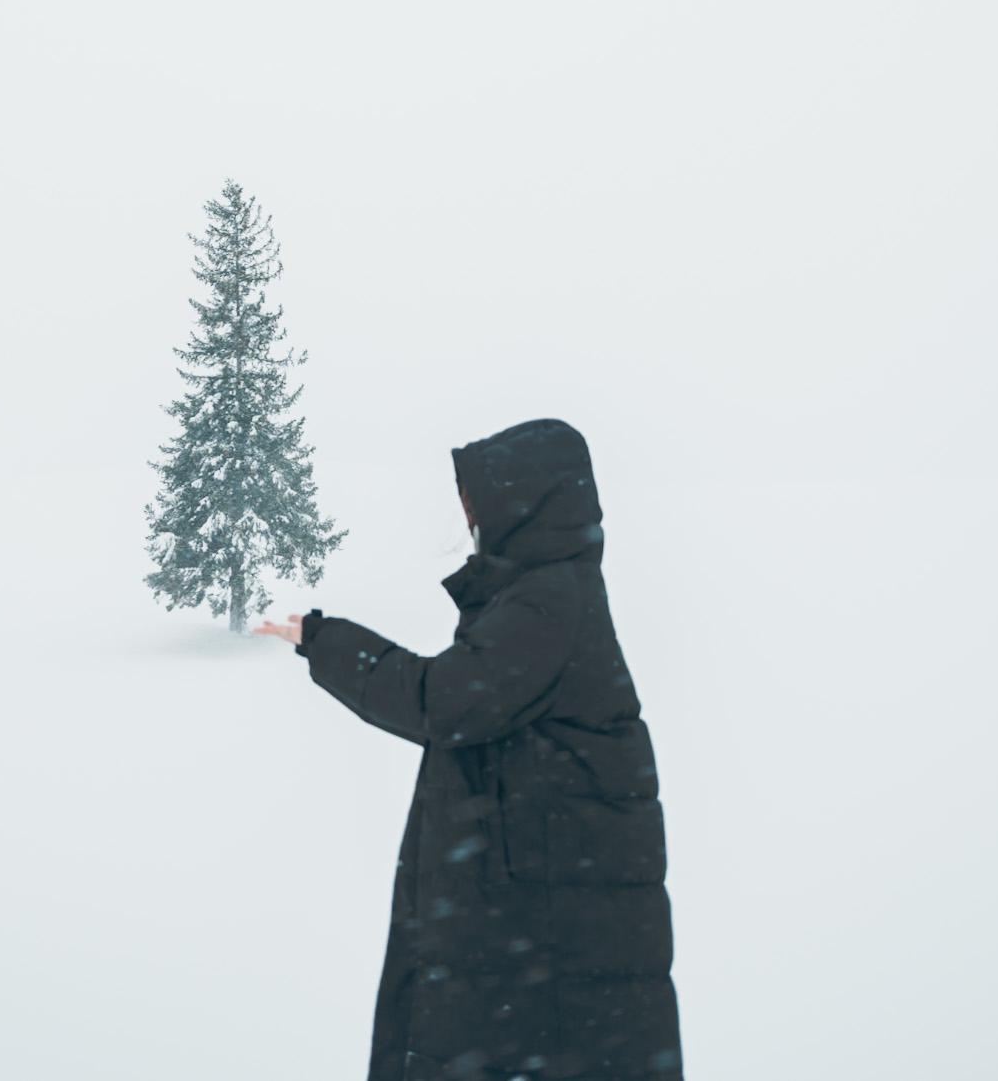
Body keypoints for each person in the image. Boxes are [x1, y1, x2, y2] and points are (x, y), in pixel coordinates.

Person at [253, 416, 684, 1081]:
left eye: (477, 499)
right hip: (544, 905)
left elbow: (442, 702)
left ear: (525, 503)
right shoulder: (546, 591)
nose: (468, 514)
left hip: (546, 915)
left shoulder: (547, 600)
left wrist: (324, 640)